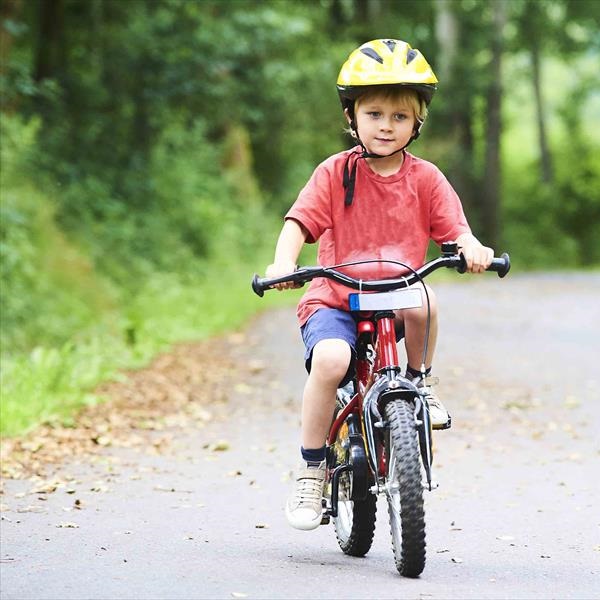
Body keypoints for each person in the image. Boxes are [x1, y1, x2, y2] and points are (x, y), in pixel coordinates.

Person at [264, 39, 494, 531]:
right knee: (330, 360)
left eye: (399, 116)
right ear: (352, 117)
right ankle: (312, 468)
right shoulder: (334, 172)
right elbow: (299, 222)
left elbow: (455, 228)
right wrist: (285, 261)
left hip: (397, 291)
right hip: (335, 296)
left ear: (416, 124)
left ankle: (418, 383)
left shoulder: (426, 178)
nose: (386, 125)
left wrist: (471, 247)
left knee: (425, 299)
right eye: (374, 113)